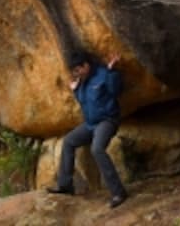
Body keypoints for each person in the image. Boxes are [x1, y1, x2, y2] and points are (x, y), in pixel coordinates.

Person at [47, 50, 128, 209]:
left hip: (107, 121)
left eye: (78, 69)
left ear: (86, 65)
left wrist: (112, 71)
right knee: (69, 141)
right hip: (90, 124)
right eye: (74, 71)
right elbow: (84, 102)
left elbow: (116, 91)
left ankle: (118, 192)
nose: (76, 73)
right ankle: (65, 185)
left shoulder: (103, 74)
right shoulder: (82, 83)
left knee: (97, 149)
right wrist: (76, 90)